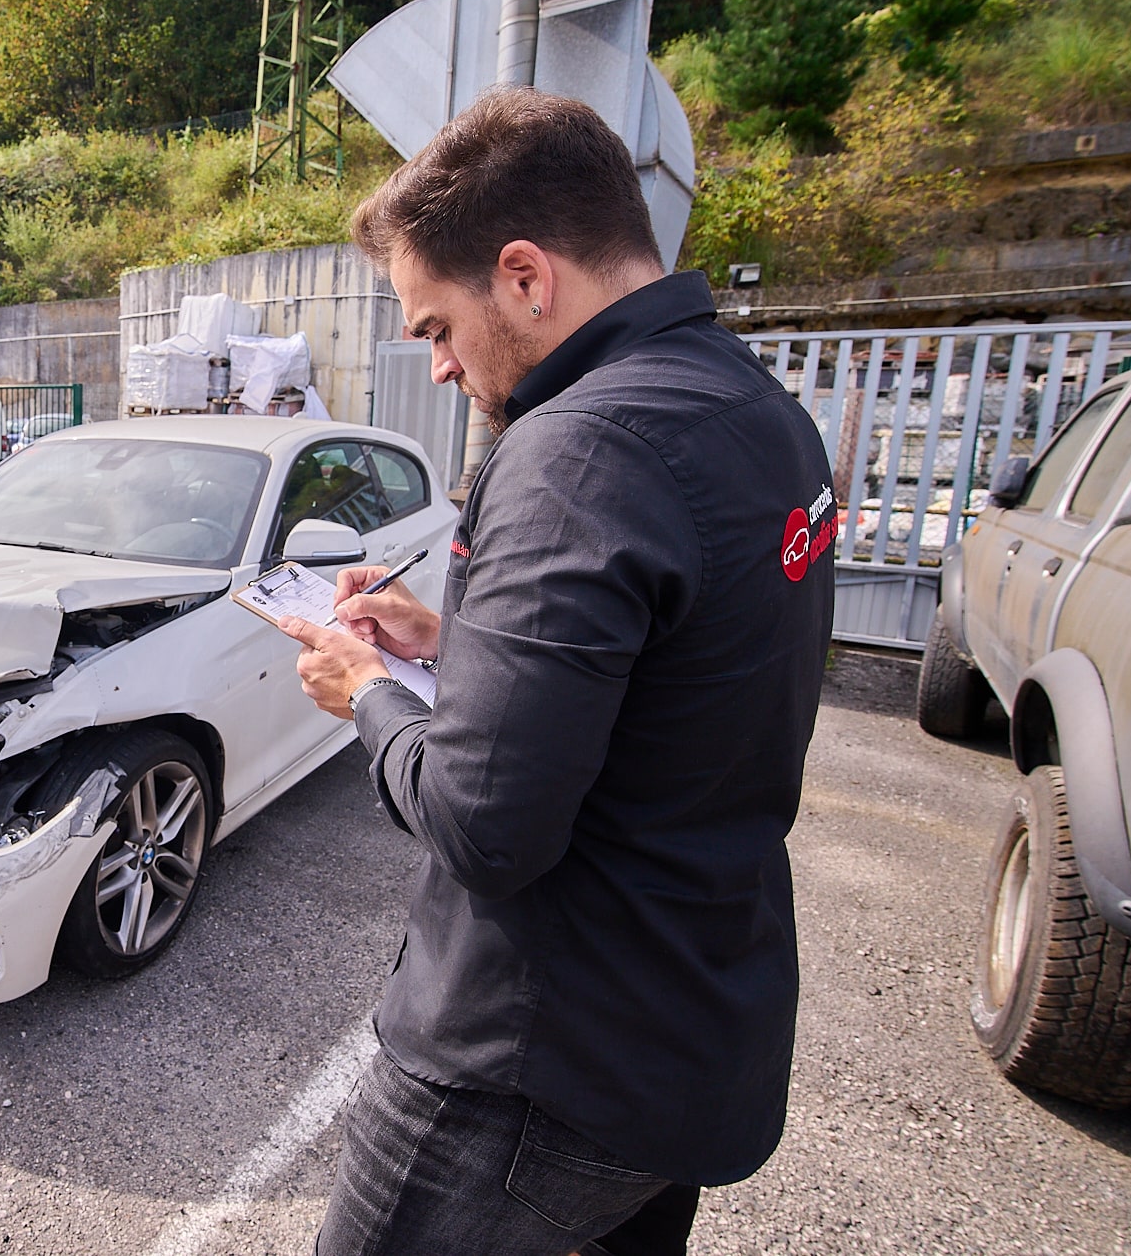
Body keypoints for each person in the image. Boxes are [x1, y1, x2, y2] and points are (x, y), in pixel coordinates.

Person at [282, 86, 836, 1256]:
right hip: (689, 1032)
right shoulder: (755, 409)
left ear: (525, 277)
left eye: (435, 328)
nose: (435, 369)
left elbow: (486, 827)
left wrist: (363, 691)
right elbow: (679, 664)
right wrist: (457, 640)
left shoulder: (573, 447)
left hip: (533, 1074)